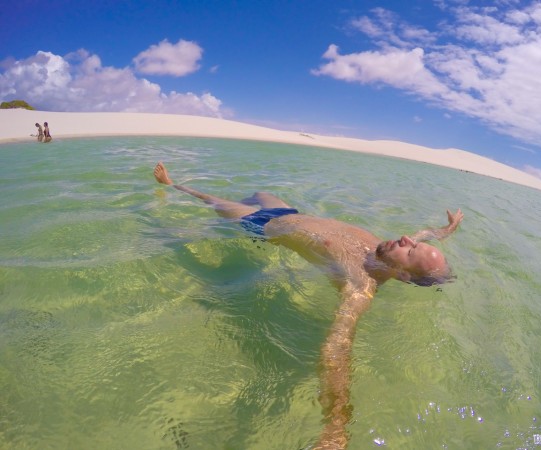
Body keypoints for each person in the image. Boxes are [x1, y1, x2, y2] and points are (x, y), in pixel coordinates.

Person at [153, 162, 463, 449]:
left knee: (213, 200)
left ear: (403, 275)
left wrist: (336, 427)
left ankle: (171, 184)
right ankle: (233, 195)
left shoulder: (359, 284)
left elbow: (337, 349)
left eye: (410, 251)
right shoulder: (385, 250)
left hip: (260, 227)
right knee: (262, 193)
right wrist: (443, 232)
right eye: (412, 243)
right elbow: (423, 234)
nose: (406, 239)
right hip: (291, 212)